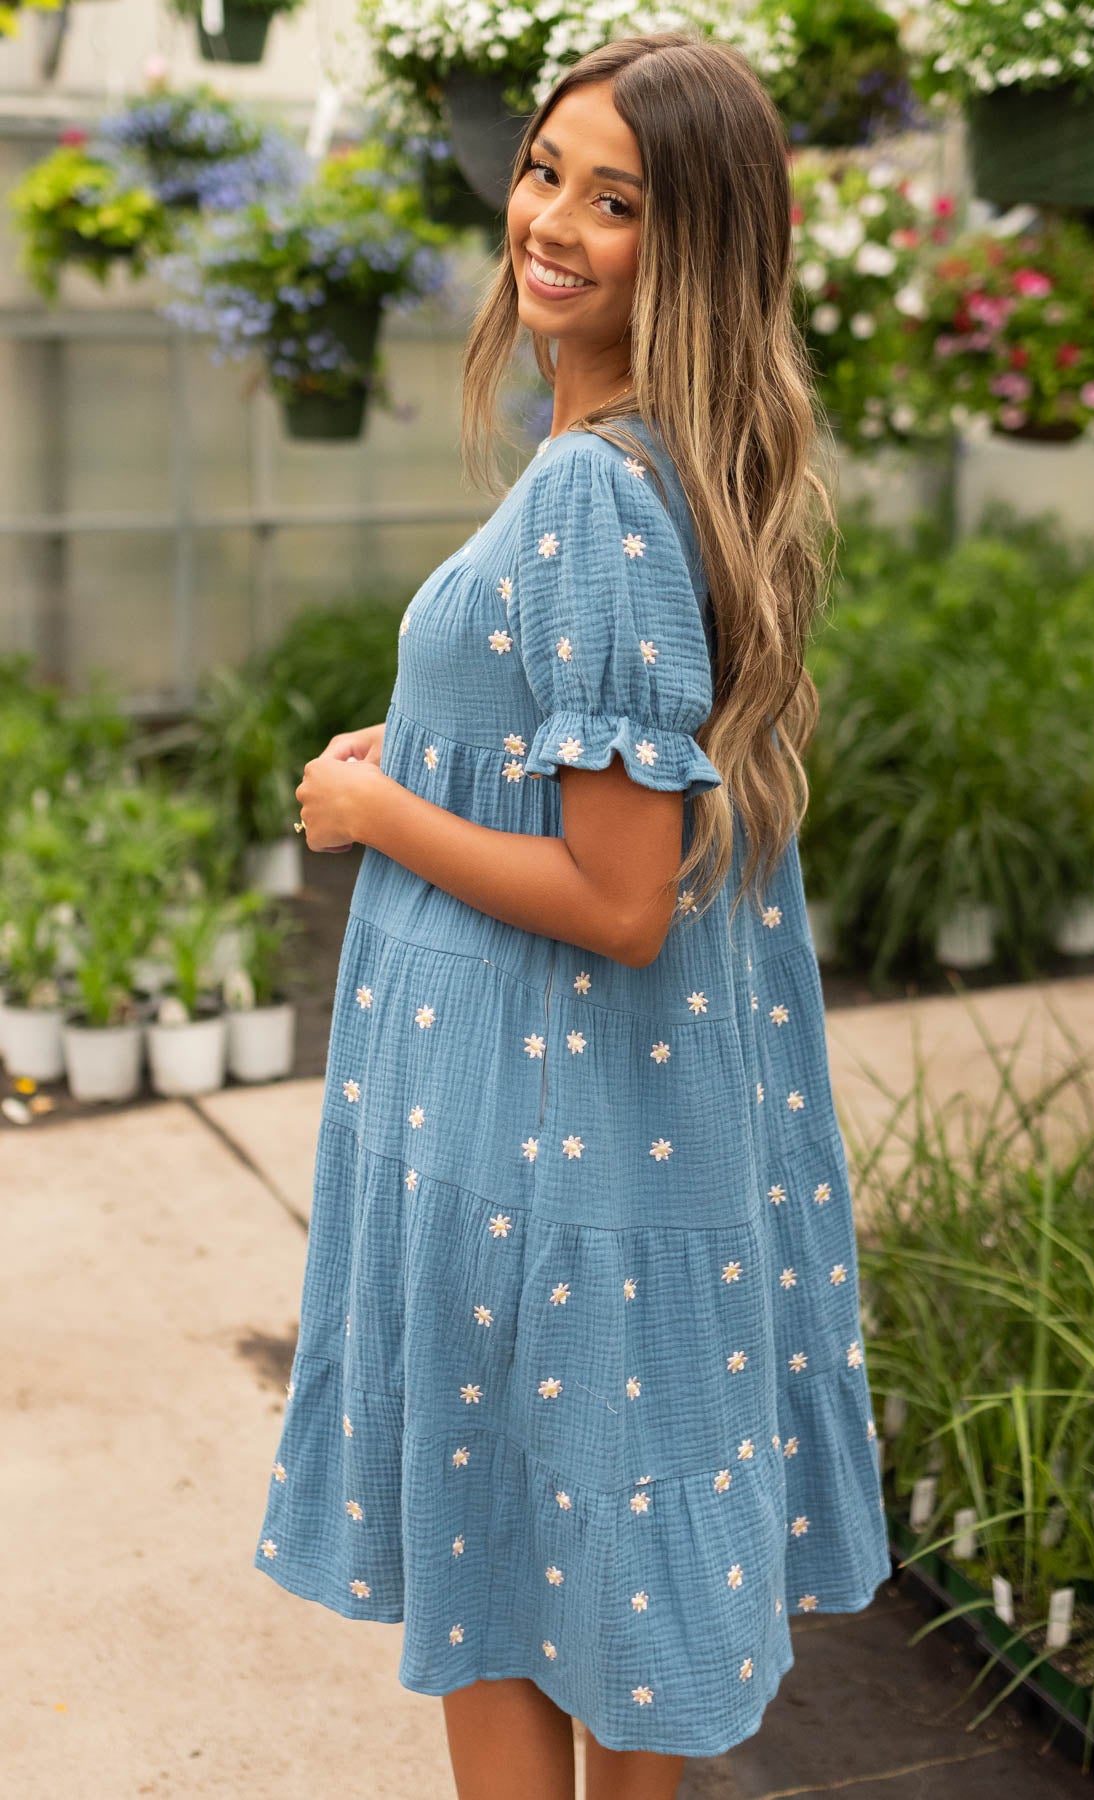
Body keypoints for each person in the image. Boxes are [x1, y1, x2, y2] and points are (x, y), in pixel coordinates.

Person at [256, 29, 891, 1800]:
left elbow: (619, 897)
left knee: (503, 1572)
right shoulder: (648, 459)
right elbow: (610, 773)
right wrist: (443, 749)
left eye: (614, 201)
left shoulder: (593, 494)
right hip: (579, 1122)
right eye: (544, 170)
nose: (549, 219)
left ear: (690, 246)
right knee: (583, 1580)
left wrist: (373, 807)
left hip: (529, 1141)